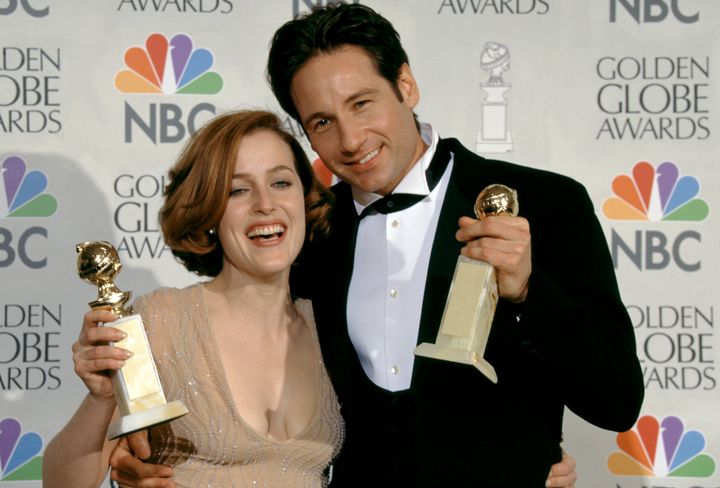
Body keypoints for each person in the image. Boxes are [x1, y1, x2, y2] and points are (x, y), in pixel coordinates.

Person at [112, 3, 639, 486]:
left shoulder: (543, 203)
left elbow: (617, 402)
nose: (350, 139)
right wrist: (141, 455)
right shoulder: (309, 232)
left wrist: (528, 291)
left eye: (362, 103)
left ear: (406, 85)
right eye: (322, 122)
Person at [42, 110, 344, 488]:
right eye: (238, 189)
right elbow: (62, 484)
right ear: (209, 211)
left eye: (281, 182)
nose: (266, 204)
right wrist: (100, 400)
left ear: (305, 197)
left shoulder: (331, 326)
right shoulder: (160, 321)